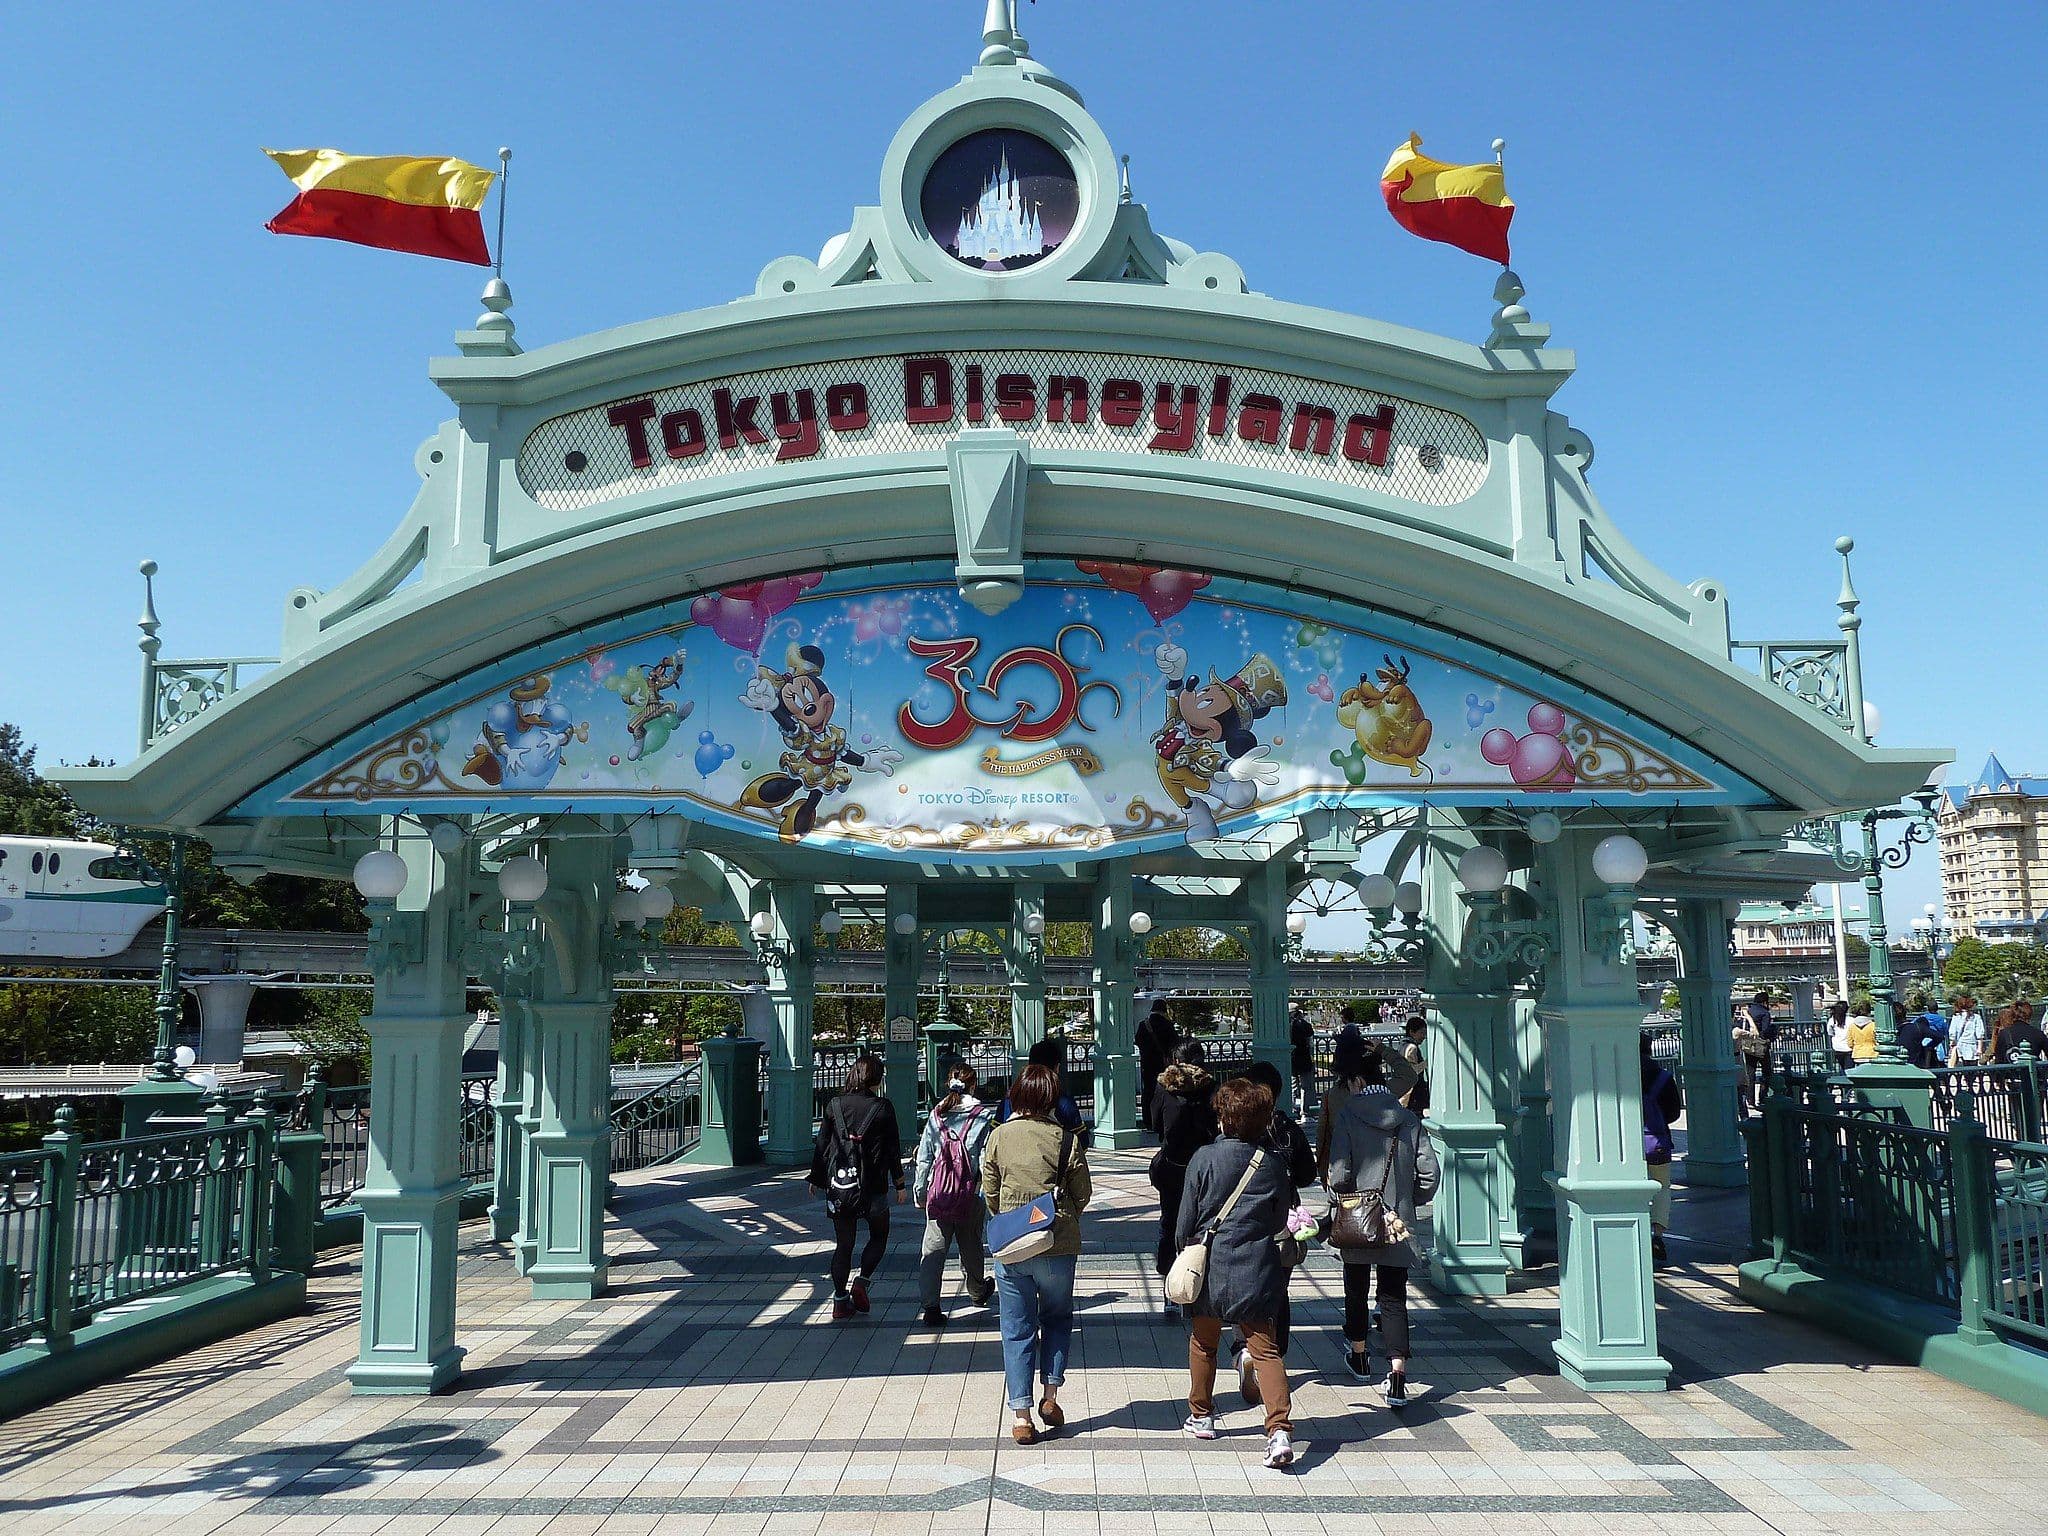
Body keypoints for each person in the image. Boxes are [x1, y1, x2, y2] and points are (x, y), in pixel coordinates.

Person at [1174, 1077, 1297, 1468]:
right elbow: (1279, 1219)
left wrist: (1184, 1250)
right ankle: (1279, 1430)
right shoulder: (1272, 1163)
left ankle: (1202, 1414)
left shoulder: (1204, 1159)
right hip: (1255, 1268)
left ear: (1223, 1118)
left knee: (1203, 1342)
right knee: (1265, 1350)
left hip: (1210, 1267)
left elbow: (1185, 1220)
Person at [981, 1062, 1092, 1445]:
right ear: (1051, 1099)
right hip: (1057, 1244)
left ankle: (1021, 1416)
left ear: (1016, 1096)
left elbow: (990, 1192)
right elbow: (1083, 1193)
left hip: (1013, 1248)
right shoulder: (1065, 1139)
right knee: (1057, 1319)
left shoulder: (999, 1136)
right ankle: (1051, 1395)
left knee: (1016, 1329)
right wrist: (1061, 1219)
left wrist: (1012, 1220)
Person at [1324, 1041, 1440, 1409]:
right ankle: (1398, 1373)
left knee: (1356, 1288)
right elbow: (1430, 1173)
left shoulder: (1348, 1115)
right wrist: (1407, 1199)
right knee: (1393, 1296)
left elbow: (1338, 1173)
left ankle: (1359, 1356)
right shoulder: (1409, 1119)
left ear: (1358, 1081)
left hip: (1358, 1215)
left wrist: (1343, 1198)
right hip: (1396, 1222)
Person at [808, 1054, 906, 1321]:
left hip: (841, 1185)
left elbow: (822, 1144)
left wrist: (816, 1178)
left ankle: (840, 1301)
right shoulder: (883, 1107)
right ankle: (861, 1281)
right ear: (877, 1078)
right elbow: (892, 1149)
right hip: (874, 1185)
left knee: (844, 1244)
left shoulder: (834, 1105)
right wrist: (899, 1183)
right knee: (879, 1235)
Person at [912, 1064, 996, 1328]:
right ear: (973, 1085)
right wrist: (990, 1194)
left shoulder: (937, 1115)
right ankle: (977, 1290)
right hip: (970, 1194)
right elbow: (986, 1160)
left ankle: (931, 1306)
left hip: (939, 1193)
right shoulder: (983, 1115)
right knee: (971, 1245)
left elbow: (924, 1158)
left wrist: (920, 1192)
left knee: (933, 1249)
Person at [1149, 1039, 1218, 1316]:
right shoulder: (1210, 1086)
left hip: (1173, 1165)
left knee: (1170, 1223)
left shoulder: (1164, 1087)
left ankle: (1170, 1287)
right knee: (1204, 1225)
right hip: (1204, 1166)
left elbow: (1154, 1122)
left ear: (1175, 1060)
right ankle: (1201, 1285)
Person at [1640, 1034, 1683, 1266]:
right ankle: (1657, 1233)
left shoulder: (1621, 1074)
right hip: (1656, 1143)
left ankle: (1634, 1231)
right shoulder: (1663, 1077)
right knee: (1662, 1186)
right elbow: (1674, 1113)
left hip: (1626, 1145)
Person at [999, 1038, 1087, 1136]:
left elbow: (995, 1132)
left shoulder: (1010, 1099)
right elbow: (1081, 1140)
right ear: (1057, 1068)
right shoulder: (1065, 1102)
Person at [1136, 999, 1181, 1129]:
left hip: (1147, 1064)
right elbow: (1175, 1044)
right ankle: (1161, 1120)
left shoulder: (1143, 1025)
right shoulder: (1167, 1025)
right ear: (1164, 1011)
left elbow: (1138, 1041)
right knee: (1165, 1091)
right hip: (1163, 1065)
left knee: (1148, 1091)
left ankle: (1148, 1121)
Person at [1288, 1005, 1316, 1118]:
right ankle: (1304, 1111)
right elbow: (1310, 1042)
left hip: (1291, 1058)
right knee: (1306, 1086)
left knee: (1292, 1085)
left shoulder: (1286, 1026)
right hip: (1304, 1057)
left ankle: (1292, 1109)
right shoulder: (1305, 1025)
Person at [1398, 1014, 1430, 1115]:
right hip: (1414, 1094)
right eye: (1421, 1033)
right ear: (1412, 1032)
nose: (1424, 1037)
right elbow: (1412, 1071)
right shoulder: (1412, 1048)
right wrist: (1427, 1063)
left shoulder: (1402, 1045)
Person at [1947, 994, 1987, 1067]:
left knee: (1961, 1067)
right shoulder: (1976, 1017)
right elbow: (1980, 1035)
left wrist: (1952, 1045)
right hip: (1972, 1045)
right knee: (1973, 1067)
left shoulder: (1956, 1017)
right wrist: (1979, 1048)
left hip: (1960, 1045)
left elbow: (1952, 1033)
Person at [1826, 999, 1853, 1071]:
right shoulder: (1851, 1020)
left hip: (1837, 1047)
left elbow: (1830, 1033)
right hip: (1849, 1048)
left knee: (1842, 1067)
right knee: (1849, 1069)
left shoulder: (1832, 1020)